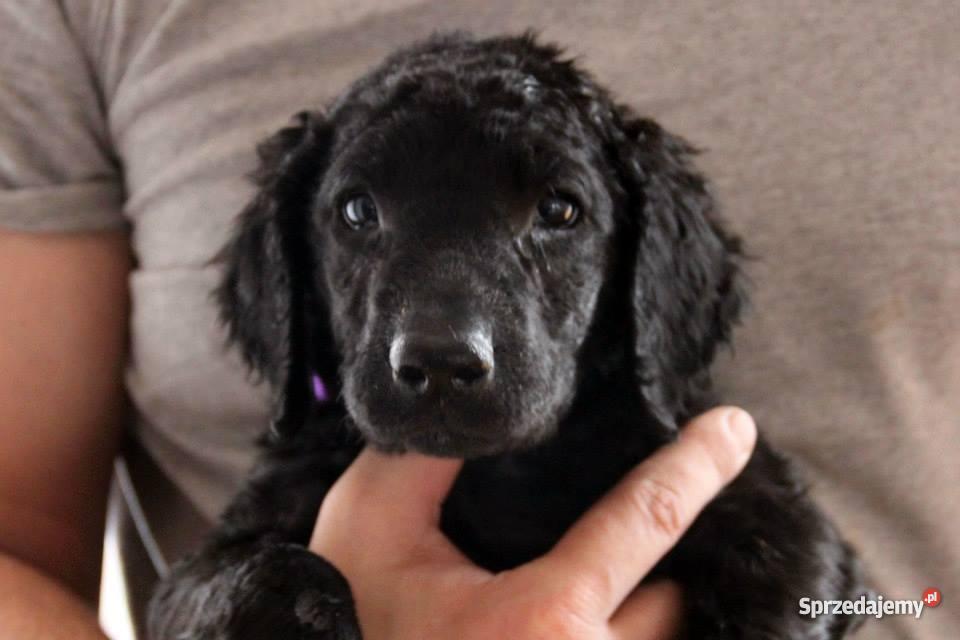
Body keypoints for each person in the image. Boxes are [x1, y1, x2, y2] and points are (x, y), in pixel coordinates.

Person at [1, 2, 956, 639]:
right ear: (287, 283)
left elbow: (851, 593)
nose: (444, 334)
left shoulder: (707, 490)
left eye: (558, 213)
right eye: (359, 215)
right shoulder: (307, 496)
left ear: (648, 284)